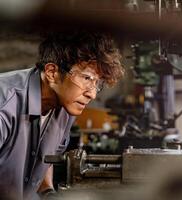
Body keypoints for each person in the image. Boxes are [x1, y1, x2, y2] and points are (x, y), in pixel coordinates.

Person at [0, 31, 124, 199]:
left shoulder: (66, 107)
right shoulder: (5, 104)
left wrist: (47, 191)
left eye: (97, 83)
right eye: (87, 78)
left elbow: (44, 157)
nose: (92, 94)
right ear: (52, 72)